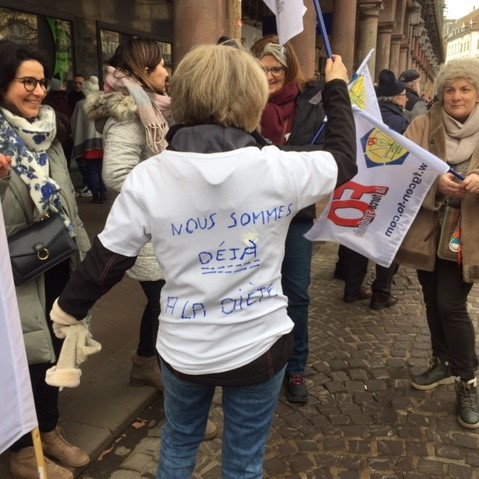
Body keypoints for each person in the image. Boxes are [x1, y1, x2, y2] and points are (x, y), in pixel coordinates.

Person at [48, 44, 356, 478]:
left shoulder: (150, 176)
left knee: (178, 441)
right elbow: (344, 159)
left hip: (184, 348)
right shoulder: (279, 169)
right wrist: (337, 88)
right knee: (244, 462)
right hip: (259, 344)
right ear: (252, 98)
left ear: (184, 95)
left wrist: (68, 309)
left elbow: (108, 259)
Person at [85, 37, 217, 439]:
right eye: (159, 65)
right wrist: (168, 191)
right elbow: (115, 175)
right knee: (170, 309)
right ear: (143, 72)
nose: (166, 72)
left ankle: (144, 364)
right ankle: (179, 402)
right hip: (148, 235)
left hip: (163, 233)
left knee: (162, 306)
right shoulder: (129, 114)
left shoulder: (152, 108)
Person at [0, 39, 92, 479]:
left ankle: (49, 431)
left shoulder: (49, 133)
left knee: (55, 349)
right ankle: (23, 452)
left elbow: (68, 201)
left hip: (57, 259)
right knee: (24, 359)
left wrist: (86, 258)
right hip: (14, 272)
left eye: (42, 82)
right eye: (27, 82)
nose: (38, 91)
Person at [395, 58, 479, 429]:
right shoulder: (423, 124)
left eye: (465, 89)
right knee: (432, 300)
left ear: (477, 94)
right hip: (428, 232)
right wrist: (434, 182)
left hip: (468, 235)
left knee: (451, 305)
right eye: (450, 89)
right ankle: (442, 362)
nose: (456, 96)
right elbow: (401, 168)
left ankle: (467, 380)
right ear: (441, 93)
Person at [250, 35, 327, 403]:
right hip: (253, 217)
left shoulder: (310, 103)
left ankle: (295, 368)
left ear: (288, 68)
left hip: (297, 217)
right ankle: (259, 362)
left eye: (276, 69)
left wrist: (276, 155)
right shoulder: (244, 100)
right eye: (262, 68)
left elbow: (320, 154)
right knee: (254, 291)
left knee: (296, 295)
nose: (269, 76)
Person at [340, 69, 408, 309]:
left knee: (359, 236)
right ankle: (381, 293)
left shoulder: (364, 116)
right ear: (397, 98)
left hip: (362, 184)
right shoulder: (401, 122)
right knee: (387, 238)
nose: (406, 99)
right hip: (389, 189)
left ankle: (352, 289)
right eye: (404, 95)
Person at [70, 75, 108, 203]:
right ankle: (103, 195)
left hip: (88, 144)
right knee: (102, 169)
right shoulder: (104, 103)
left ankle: (95, 195)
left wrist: (77, 135)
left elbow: (75, 122)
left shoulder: (81, 105)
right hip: (103, 142)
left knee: (91, 169)